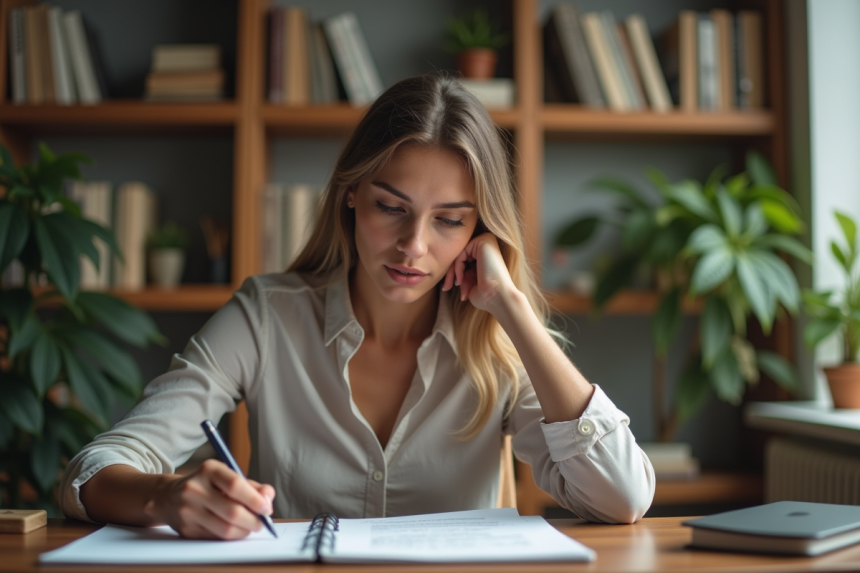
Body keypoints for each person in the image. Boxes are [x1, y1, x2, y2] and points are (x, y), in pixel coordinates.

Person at [60, 74, 655, 540]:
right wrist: (164, 497)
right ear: (352, 195)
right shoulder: (266, 316)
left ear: (483, 230)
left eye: (449, 220)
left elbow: (622, 497)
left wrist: (515, 308)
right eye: (391, 207)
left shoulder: (499, 341)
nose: (413, 247)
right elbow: (92, 470)